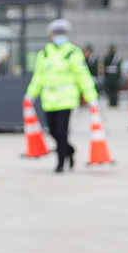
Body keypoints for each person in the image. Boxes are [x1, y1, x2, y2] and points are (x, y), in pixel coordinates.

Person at [26, 19, 97, 172]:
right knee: (52, 130)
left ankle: (60, 163)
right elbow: (38, 77)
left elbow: (83, 77)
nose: (59, 36)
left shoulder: (73, 53)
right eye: (56, 34)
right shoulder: (44, 53)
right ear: (51, 36)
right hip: (49, 99)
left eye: (62, 34)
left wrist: (91, 98)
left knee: (62, 130)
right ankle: (69, 151)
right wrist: (30, 95)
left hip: (67, 98)